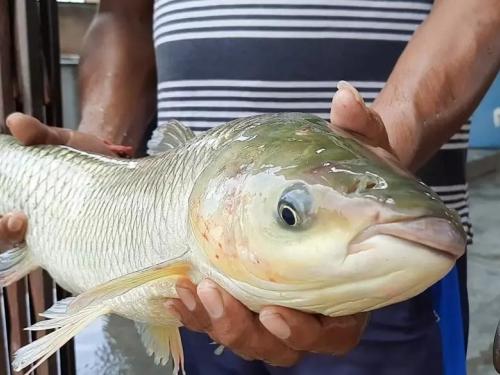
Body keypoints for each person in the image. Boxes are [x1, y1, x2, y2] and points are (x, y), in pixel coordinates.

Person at [1, 0, 499, 374]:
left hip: (393, 276)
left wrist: (384, 143)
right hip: (184, 248)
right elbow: (122, 15)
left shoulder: (394, 240)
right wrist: (105, 147)